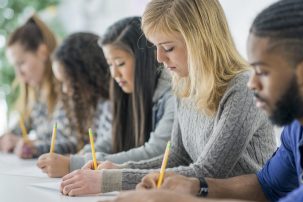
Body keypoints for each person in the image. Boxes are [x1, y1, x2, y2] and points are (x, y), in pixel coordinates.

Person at [60, 0, 275, 196]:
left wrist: (110, 181)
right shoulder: (183, 83)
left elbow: (209, 171)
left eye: (168, 48)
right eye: (156, 47)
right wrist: (120, 168)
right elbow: (177, 157)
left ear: (200, 41)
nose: (159, 58)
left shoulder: (243, 88)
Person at [113, 0, 303, 201]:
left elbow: (212, 170)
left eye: (262, 72)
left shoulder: (240, 87)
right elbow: (266, 186)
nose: (252, 83)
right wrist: (194, 186)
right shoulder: (297, 131)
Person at [38, 17, 174, 177]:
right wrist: (84, 154)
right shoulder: (127, 93)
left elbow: (155, 152)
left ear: (145, 60)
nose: (115, 74)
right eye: (110, 64)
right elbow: (112, 138)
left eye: (120, 63)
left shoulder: (171, 96)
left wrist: (75, 164)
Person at [36, 32, 112, 177]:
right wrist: (38, 150)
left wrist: (72, 161)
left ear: (87, 73)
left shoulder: (110, 103)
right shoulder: (85, 103)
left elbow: (108, 147)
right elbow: (75, 142)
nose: (65, 90)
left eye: (68, 81)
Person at [0, 14, 75, 158]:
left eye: (21, 63)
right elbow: (19, 129)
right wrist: (7, 138)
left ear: (42, 52)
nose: (18, 75)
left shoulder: (67, 87)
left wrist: (33, 146)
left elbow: (74, 143)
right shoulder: (36, 92)